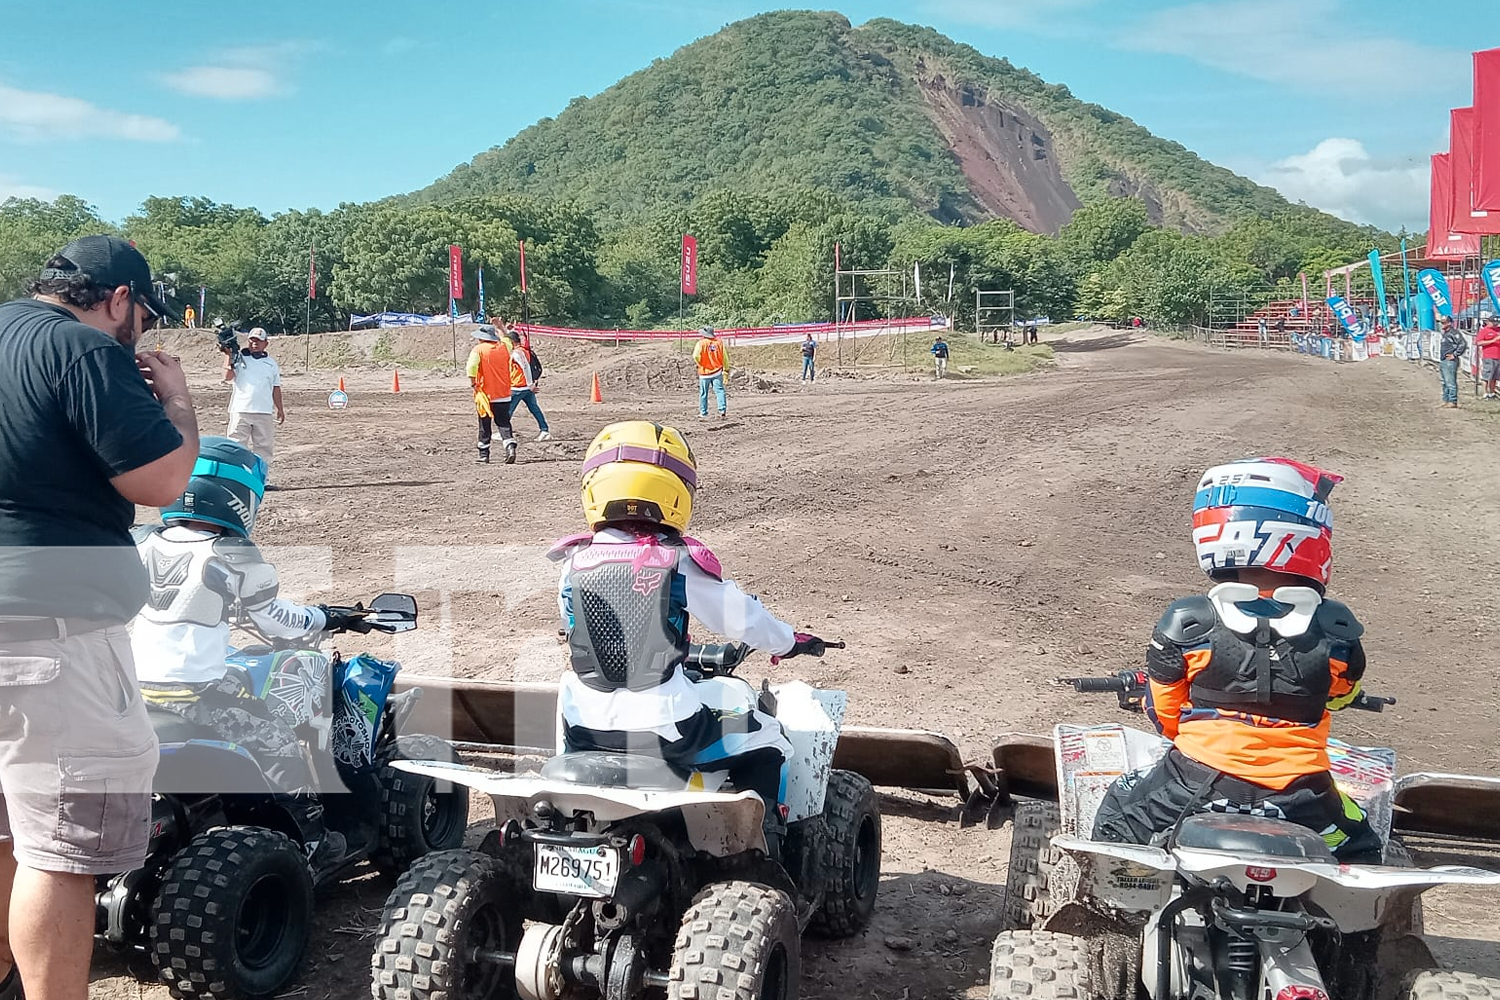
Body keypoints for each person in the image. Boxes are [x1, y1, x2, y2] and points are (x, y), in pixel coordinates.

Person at [0, 235, 198, 1000]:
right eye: (141, 316)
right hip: (53, 632)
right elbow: (164, 481)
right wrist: (176, 401)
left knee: (7, 830)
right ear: (119, 298)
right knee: (61, 847)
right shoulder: (83, 350)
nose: (139, 333)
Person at [549, 421, 830, 857]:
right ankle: (760, 853)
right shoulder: (676, 560)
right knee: (769, 737)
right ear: (675, 491)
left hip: (584, 727)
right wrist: (788, 642)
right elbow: (743, 619)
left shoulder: (573, 560)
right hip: (666, 730)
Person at [1091, 457, 1381, 863]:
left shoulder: (1189, 623)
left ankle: (1115, 912)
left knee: (1119, 811)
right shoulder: (1337, 631)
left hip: (1193, 786)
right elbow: (1339, 695)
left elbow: (1166, 714)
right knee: (1363, 848)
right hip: (1304, 798)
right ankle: (1353, 929)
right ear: (1308, 535)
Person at [131, 437, 359, 874]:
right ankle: (313, 840)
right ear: (238, 498)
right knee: (278, 737)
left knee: (237, 685)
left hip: (134, 690)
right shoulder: (231, 553)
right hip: (193, 697)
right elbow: (276, 620)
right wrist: (325, 617)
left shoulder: (142, 540)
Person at [222, 327, 285, 472]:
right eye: (252, 340)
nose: (255, 344)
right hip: (241, 410)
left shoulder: (271, 364)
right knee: (236, 445)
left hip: (263, 411)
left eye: (258, 341)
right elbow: (227, 377)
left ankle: (261, 480)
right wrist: (228, 355)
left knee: (263, 448)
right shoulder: (239, 358)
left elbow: (276, 388)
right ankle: (236, 478)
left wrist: (280, 409)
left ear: (265, 344)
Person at [467, 324, 516, 463]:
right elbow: (506, 337)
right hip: (504, 392)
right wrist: (500, 326)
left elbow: (471, 367)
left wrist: (473, 383)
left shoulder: (478, 350)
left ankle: (484, 454)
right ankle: (510, 445)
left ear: (481, 338)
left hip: (485, 394)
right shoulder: (504, 347)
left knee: (484, 423)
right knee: (504, 422)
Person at [506, 327, 551, 440]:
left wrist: (530, 384)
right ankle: (544, 430)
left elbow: (525, 367)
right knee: (534, 408)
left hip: (519, 386)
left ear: (511, 342)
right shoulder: (525, 350)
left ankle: (504, 432)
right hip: (526, 387)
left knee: (508, 410)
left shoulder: (517, 353)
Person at [692, 327, 728, 418]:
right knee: (720, 391)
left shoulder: (700, 343)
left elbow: (695, 355)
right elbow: (725, 358)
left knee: (703, 393)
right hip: (717, 371)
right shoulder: (719, 343)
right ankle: (722, 409)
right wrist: (726, 369)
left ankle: (703, 412)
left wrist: (700, 363)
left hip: (704, 372)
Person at [1439, 318, 1466, 409]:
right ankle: (1446, 400)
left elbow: (1462, 344)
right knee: (1444, 382)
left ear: (1449, 323)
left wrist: (1455, 355)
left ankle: (1452, 401)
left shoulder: (1454, 333)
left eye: (1444, 323)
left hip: (1450, 361)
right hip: (1443, 360)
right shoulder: (1445, 334)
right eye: (1441, 323)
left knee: (1450, 381)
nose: (1442, 324)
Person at [1475, 318, 1500, 400]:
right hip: (1489, 356)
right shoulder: (1484, 331)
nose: (1495, 324)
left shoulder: (1498, 330)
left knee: (1495, 376)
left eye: (1496, 322)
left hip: (1498, 357)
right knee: (1487, 375)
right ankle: (1485, 393)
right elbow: (1479, 342)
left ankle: (1492, 393)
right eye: (1493, 322)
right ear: (1489, 322)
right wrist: (1493, 340)